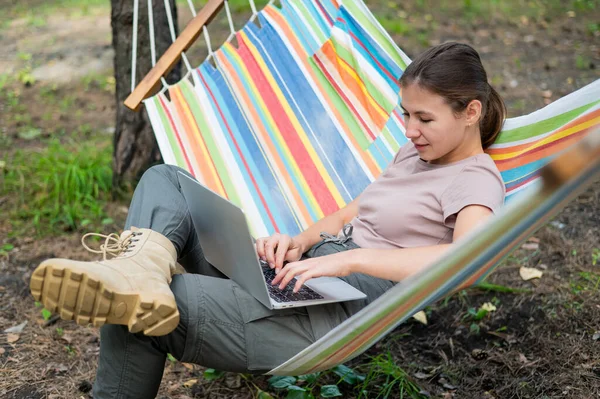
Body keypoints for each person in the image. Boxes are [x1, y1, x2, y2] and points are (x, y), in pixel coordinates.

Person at [29, 42, 506, 398]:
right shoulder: (417, 153)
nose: (409, 130)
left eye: (423, 118)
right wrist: (298, 242)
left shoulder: (474, 180)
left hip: (332, 317)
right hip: (301, 280)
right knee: (165, 179)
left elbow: (466, 261)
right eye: (405, 114)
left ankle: (139, 279)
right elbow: (360, 209)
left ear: (471, 112)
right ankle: (140, 266)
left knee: (139, 306)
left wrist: (349, 260)